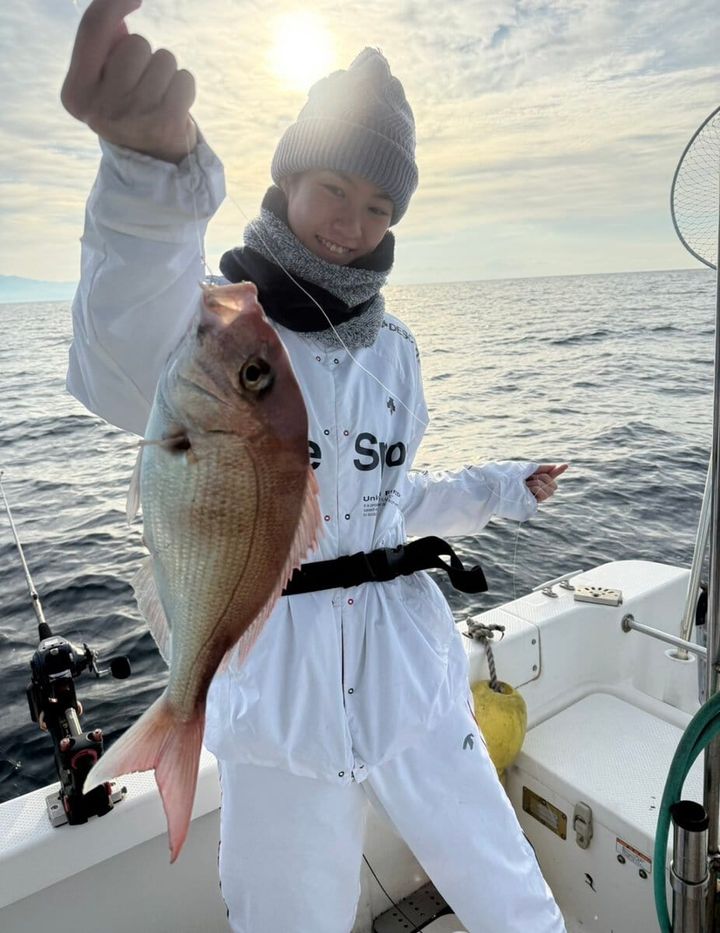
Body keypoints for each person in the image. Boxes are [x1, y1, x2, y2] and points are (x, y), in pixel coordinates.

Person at [61, 1, 569, 930]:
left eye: (379, 205)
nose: (353, 222)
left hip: (414, 687)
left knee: (517, 905)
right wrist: (148, 171)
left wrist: (502, 487)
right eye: (334, 187)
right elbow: (118, 358)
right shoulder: (218, 328)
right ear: (288, 176)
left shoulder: (397, 351)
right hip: (278, 708)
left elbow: (390, 500)